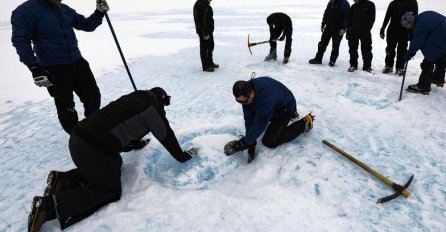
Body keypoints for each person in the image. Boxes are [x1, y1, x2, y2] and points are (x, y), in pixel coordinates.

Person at [27, 88, 199, 232]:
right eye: (165, 103)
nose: (165, 108)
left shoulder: (133, 98)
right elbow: (165, 135)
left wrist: (135, 144)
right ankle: (47, 208)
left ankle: (64, 180)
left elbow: (119, 125)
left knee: (114, 164)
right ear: (161, 101)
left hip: (79, 139)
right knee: (109, 190)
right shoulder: (153, 109)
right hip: (91, 149)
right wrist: (182, 156)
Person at [11, 0, 110, 134]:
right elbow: (20, 40)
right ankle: (79, 138)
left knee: (93, 97)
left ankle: (95, 130)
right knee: (66, 106)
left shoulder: (64, 9)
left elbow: (86, 25)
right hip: (54, 67)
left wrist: (98, 13)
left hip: (77, 61)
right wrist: (34, 67)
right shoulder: (25, 11)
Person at [224, 77, 314, 163]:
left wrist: (242, 144)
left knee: (269, 141)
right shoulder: (246, 89)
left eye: (243, 101)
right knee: (255, 114)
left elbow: (259, 124)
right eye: (238, 101)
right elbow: (249, 118)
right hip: (274, 104)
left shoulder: (266, 99)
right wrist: (251, 142)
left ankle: (304, 122)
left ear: (251, 94)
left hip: (286, 108)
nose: (241, 104)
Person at [402, 11, 446, 94]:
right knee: (441, 58)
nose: (407, 28)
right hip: (442, 36)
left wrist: (410, 53)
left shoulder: (421, 24)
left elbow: (418, 40)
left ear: (410, 22)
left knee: (428, 62)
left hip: (442, 39)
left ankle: (423, 86)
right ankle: (438, 79)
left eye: (406, 26)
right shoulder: (423, 17)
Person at [380, 0, 418, 75]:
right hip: (392, 29)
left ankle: (400, 68)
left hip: (405, 30)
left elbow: (415, 17)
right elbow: (387, 16)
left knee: (402, 50)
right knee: (390, 48)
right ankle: (388, 66)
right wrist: (382, 28)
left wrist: (412, 31)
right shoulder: (393, 3)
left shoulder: (412, 2)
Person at [309, 0, 350, 67]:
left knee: (335, 45)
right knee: (322, 44)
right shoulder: (330, 3)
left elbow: (347, 16)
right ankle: (318, 59)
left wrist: (344, 28)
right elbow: (326, 13)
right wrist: (323, 23)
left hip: (338, 29)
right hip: (328, 27)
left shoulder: (344, 3)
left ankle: (332, 61)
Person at [345, 0, 375, 73]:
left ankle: (367, 66)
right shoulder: (353, 7)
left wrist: (368, 30)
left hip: (365, 31)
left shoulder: (370, 4)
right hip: (353, 31)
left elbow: (372, 19)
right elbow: (349, 19)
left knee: (367, 49)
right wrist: (348, 31)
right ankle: (353, 65)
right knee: (352, 49)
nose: (354, 0)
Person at [193, 0, 219, 72]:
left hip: (208, 30)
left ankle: (210, 63)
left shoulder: (205, 4)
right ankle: (206, 66)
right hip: (204, 31)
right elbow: (200, 20)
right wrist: (204, 32)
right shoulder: (200, 5)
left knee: (210, 46)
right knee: (204, 48)